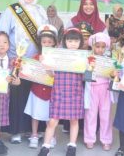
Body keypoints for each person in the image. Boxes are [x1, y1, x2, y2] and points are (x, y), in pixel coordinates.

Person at [0, 0, 47, 143]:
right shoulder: (12, 10)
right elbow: (2, 34)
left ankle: (32, 129)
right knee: (17, 96)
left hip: (35, 63)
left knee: (34, 95)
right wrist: (8, 57)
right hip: (16, 60)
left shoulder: (41, 11)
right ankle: (16, 130)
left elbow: (46, 36)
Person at [38, 28, 85, 156]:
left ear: (80, 42)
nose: (73, 43)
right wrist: (44, 64)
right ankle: (45, 147)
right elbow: (51, 74)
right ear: (65, 41)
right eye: (70, 40)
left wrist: (90, 67)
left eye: (76, 41)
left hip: (75, 92)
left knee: (74, 120)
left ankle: (72, 146)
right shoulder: (57, 55)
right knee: (53, 121)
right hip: (59, 91)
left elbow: (88, 77)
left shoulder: (84, 57)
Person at [24, 24, 58, 149]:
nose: (47, 44)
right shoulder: (34, 57)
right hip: (37, 90)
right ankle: (34, 134)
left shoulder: (58, 58)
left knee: (51, 115)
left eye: (50, 42)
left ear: (54, 43)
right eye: (44, 42)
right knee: (35, 114)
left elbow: (58, 75)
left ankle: (52, 135)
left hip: (52, 92)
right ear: (40, 43)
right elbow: (29, 73)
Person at [84, 32, 113, 151]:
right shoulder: (88, 59)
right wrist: (89, 69)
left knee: (105, 115)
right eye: (97, 46)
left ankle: (106, 139)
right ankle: (89, 138)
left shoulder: (109, 60)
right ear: (92, 46)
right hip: (92, 89)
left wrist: (113, 74)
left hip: (105, 89)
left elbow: (114, 75)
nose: (100, 49)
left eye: (103, 47)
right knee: (90, 114)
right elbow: (85, 76)